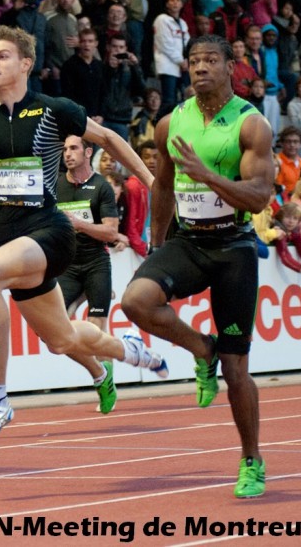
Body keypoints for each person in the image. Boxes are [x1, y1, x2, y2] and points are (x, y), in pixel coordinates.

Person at [0, 25, 165, 440]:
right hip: (4, 241)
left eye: (2, 56)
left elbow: (108, 138)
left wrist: (154, 183)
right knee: (63, 339)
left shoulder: (53, 109)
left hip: (49, 232)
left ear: (25, 64)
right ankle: (129, 351)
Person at [120, 34, 275, 499]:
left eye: (211, 59)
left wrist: (208, 175)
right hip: (189, 240)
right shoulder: (171, 123)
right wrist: (157, 239)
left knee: (237, 369)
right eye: (193, 61)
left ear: (231, 66)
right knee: (136, 301)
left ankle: (251, 460)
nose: (200, 67)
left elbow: (260, 197)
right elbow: (164, 186)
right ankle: (200, 350)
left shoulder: (252, 126)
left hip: (234, 248)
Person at [55, 134, 122, 414]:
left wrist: (79, 224)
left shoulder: (101, 187)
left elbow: (110, 232)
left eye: (73, 148)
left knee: (96, 331)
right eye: (64, 150)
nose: (68, 154)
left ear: (87, 152)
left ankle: (106, 383)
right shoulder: (56, 184)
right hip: (67, 267)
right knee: (54, 332)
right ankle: (99, 374)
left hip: (95, 263)